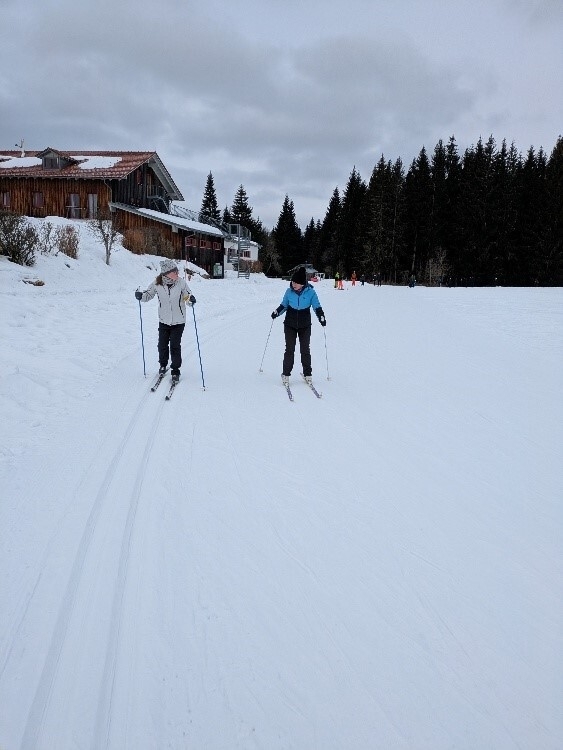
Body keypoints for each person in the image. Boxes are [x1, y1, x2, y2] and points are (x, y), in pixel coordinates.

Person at [135, 259, 196, 383]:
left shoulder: (181, 283)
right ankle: (163, 365)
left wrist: (191, 300)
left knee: (174, 345)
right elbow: (148, 295)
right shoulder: (157, 284)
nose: (177, 273)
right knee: (162, 345)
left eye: (177, 270)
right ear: (166, 273)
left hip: (179, 321)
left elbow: (187, 297)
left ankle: (175, 371)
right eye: (174, 271)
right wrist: (140, 296)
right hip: (163, 320)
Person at [271, 266, 326, 385]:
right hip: (290, 324)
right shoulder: (288, 291)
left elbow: (317, 306)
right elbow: (284, 305)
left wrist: (321, 316)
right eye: (292, 281)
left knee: (305, 350)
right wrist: (276, 312)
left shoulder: (311, 292)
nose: (293, 284)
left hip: (305, 325)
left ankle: (308, 374)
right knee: (289, 350)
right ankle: (286, 374)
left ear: (302, 283)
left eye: (296, 282)